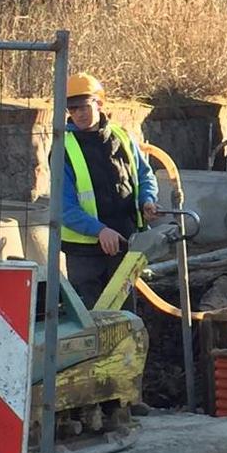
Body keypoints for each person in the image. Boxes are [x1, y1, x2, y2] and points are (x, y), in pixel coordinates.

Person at [61, 72, 159, 307]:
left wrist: (147, 201)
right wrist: (99, 231)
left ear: (99, 103)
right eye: (72, 109)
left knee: (125, 318)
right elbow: (63, 208)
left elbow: (145, 175)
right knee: (91, 319)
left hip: (125, 243)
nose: (79, 114)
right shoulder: (64, 147)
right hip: (85, 254)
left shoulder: (121, 137)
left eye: (84, 106)